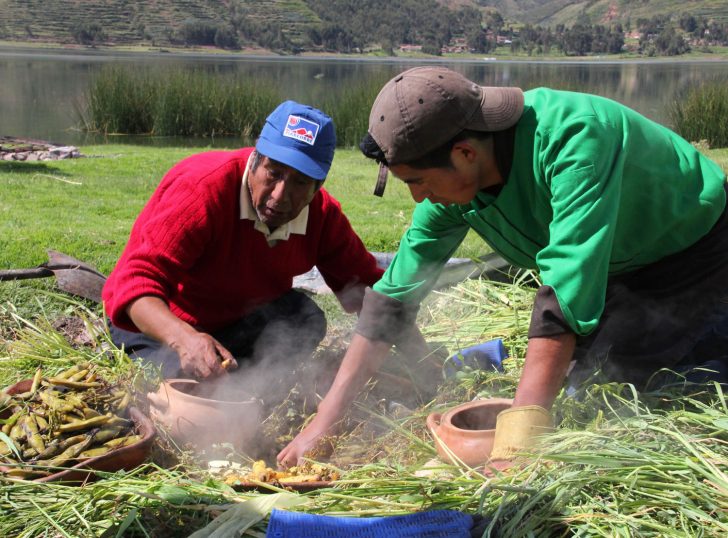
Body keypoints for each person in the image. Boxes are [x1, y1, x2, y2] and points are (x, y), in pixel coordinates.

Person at [277, 66, 728, 467]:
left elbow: (564, 294)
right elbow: (391, 301)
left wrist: (515, 453)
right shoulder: (454, 183)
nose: (417, 197)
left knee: (623, 392)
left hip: (691, 251)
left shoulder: (574, 139)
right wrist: (325, 421)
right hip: (614, 264)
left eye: (417, 182)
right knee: (580, 381)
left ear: (465, 154)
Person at [103, 100, 384, 381]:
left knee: (304, 318)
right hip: (163, 325)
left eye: (300, 183)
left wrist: (418, 361)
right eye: (273, 173)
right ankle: (220, 377)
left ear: (317, 187)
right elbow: (135, 284)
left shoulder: (322, 216)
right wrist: (184, 339)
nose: (279, 196)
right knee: (184, 381)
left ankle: (243, 382)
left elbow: (373, 292)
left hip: (235, 321)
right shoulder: (201, 190)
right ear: (255, 160)